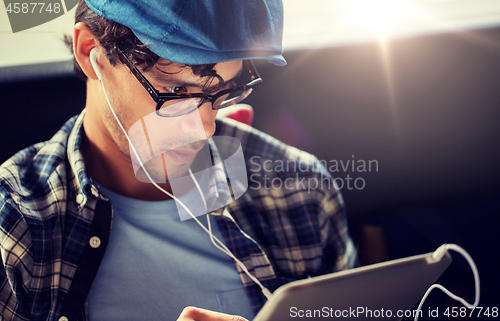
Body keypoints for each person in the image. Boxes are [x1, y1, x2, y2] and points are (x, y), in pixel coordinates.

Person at [0, 0, 358, 320]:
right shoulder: (14, 226)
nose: (203, 129)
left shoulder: (298, 187)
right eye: (177, 93)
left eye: (223, 92)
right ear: (90, 50)